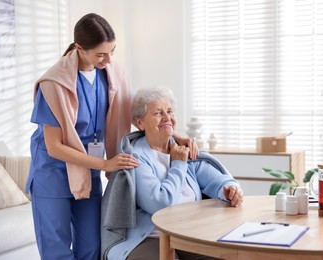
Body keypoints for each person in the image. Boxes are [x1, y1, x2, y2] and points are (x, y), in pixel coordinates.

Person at [25, 13, 196, 260]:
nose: (108, 60)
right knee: (57, 251)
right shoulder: (53, 84)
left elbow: (141, 115)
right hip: (52, 173)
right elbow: (54, 147)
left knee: (93, 247)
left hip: (88, 171)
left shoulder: (113, 74)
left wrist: (173, 135)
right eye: (101, 54)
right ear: (79, 49)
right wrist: (106, 164)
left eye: (112, 52)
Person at [106, 87, 243, 260]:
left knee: (228, 255)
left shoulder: (181, 149)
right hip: (150, 237)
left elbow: (216, 179)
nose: (167, 117)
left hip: (188, 233)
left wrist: (230, 188)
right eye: (158, 113)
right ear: (139, 122)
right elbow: (160, 204)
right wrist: (178, 164)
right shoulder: (136, 157)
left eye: (169, 111)